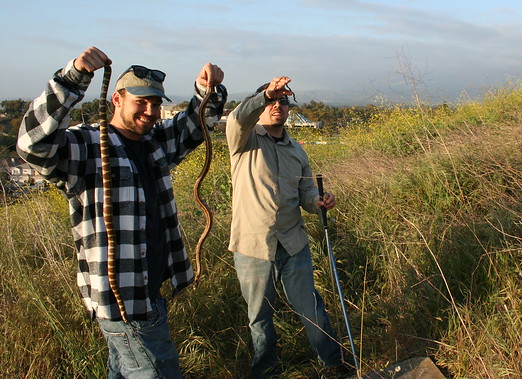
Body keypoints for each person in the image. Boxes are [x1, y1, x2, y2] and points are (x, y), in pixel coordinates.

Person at [16, 46, 226, 378]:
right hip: (123, 302)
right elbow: (31, 144)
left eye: (155, 104)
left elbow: (194, 126)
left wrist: (207, 91)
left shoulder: (153, 143)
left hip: (149, 293)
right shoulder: (86, 146)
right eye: (140, 102)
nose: (150, 111)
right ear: (117, 100)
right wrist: (74, 77)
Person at [225, 77, 351, 378]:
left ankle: (333, 364)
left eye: (282, 102)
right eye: (271, 102)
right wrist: (266, 93)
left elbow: (305, 194)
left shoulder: (297, 150)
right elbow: (237, 117)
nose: (277, 106)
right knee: (260, 315)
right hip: (253, 245)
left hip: (293, 242)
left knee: (311, 306)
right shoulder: (244, 140)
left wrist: (318, 201)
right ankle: (266, 371)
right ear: (261, 107)